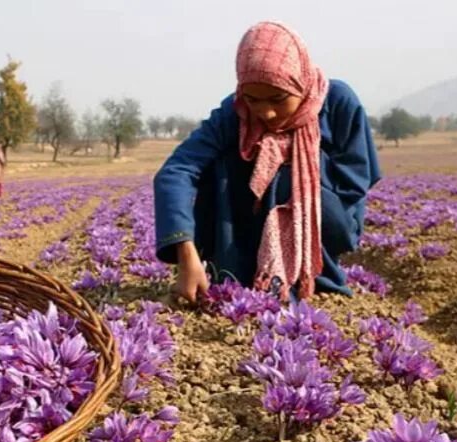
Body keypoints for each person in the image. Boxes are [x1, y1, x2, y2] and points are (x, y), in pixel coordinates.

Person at [154, 21, 380, 303]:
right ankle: (230, 268)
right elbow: (176, 172)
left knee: (282, 166)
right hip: (250, 222)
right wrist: (185, 252)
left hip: (327, 219)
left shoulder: (337, 101)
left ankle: (307, 276)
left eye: (278, 98)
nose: (267, 113)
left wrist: (291, 172)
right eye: (253, 100)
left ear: (300, 82)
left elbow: (354, 183)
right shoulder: (234, 110)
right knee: (220, 161)